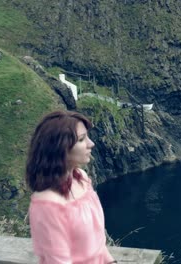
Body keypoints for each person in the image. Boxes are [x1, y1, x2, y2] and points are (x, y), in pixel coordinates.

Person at [26, 110, 117, 264]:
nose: (91, 143)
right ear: (59, 148)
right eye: (82, 139)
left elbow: (98, 242)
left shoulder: (81, 178)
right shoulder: (47, 204)